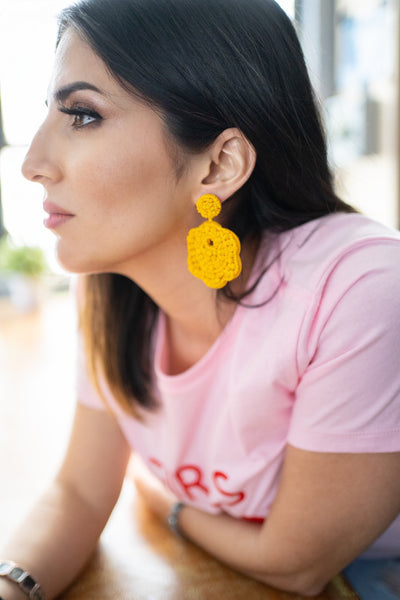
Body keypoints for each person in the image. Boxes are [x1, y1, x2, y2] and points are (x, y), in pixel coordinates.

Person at [1, 0, 400, 598]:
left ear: (218, 164)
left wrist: (172, 505)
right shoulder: (110, 287)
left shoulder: (360, 289)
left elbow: (296, 562)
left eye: (82, 115)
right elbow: (80, 493)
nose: (32, 163)